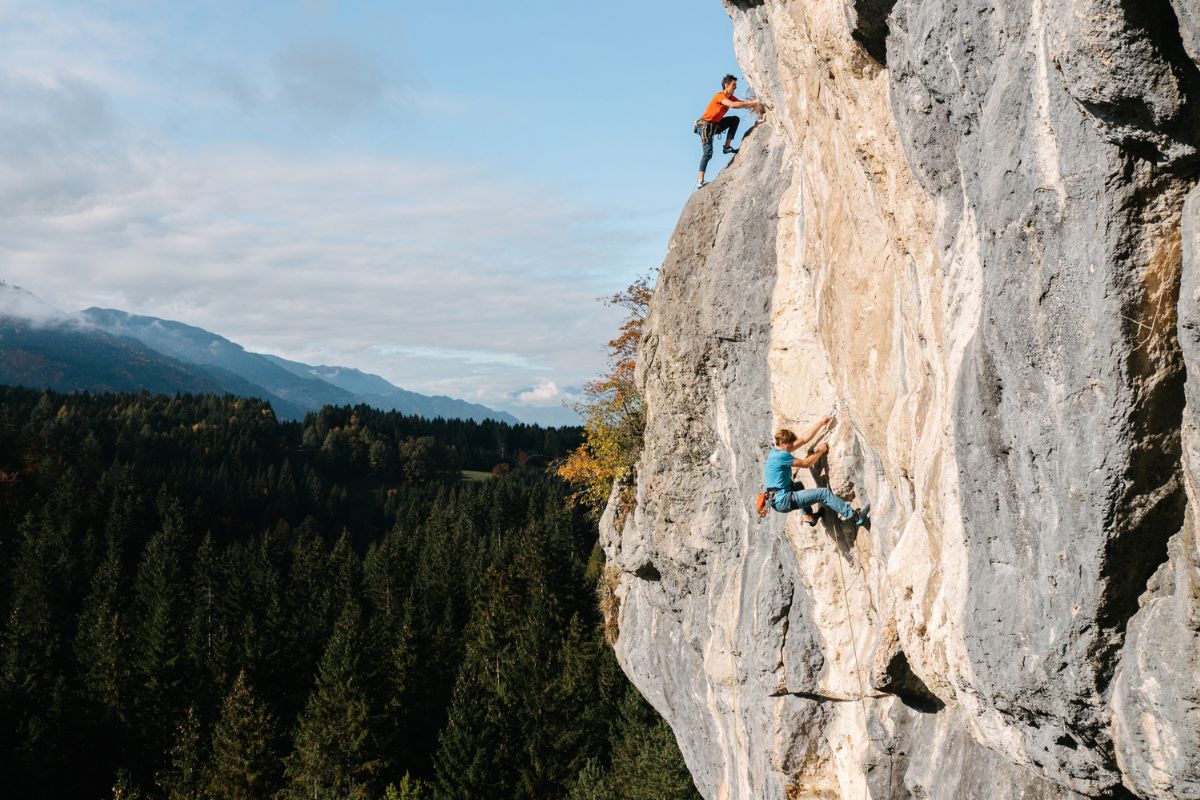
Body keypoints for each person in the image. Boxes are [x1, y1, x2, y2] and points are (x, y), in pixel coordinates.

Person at [762, 418, 870, 526]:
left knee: (798, 486)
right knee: (823, 493)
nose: (791, 446)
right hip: (784, 500)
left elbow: (803, 439)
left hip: (776, 501)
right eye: (789, 444)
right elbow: (806, 464)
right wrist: (820, 452)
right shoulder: (782, 455)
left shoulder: (776, 452)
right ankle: (855, 517)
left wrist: (820, 424)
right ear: (782, 443)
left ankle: (809, 516)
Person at [695, 75, 764, 190]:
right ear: (726, 86)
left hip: (716, 126)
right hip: (705, 127)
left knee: (734, 120)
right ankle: (700, 181)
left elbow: (742, 104)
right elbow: (733, 105)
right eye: (733, 85)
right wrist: (755, 101)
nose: (735, 87)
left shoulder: (731, 97)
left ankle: (726, 147)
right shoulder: (720, 96)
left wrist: (757, 106)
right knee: (708, 153)